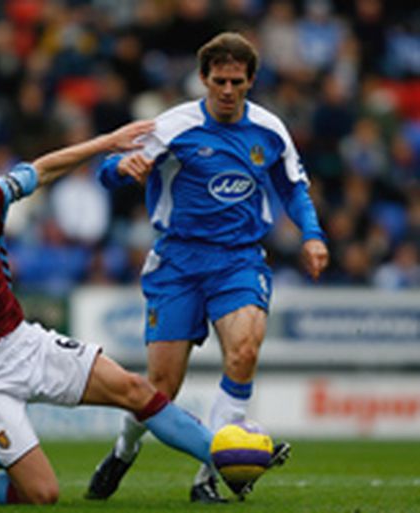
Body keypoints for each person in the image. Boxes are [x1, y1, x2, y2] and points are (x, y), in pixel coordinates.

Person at [0, 121, 257, 505]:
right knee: (41, 494)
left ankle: (226, 454)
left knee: (135, 389)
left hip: (27, 342)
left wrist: (106, 142)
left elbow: (43, 169)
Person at [86, 32, 329, 503]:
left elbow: (293, 188)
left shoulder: (269, 130)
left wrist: (313, 234)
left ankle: (206, 478)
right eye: (219, 81)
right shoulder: (172, 126)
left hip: (238, 259)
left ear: (251, 80)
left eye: (237, 82)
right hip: (177, 261)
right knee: (160, 388)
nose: (227, 91)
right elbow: (105, 172)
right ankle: (123, 450)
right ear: (203, 79)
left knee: (243, 353)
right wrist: (122, 170)